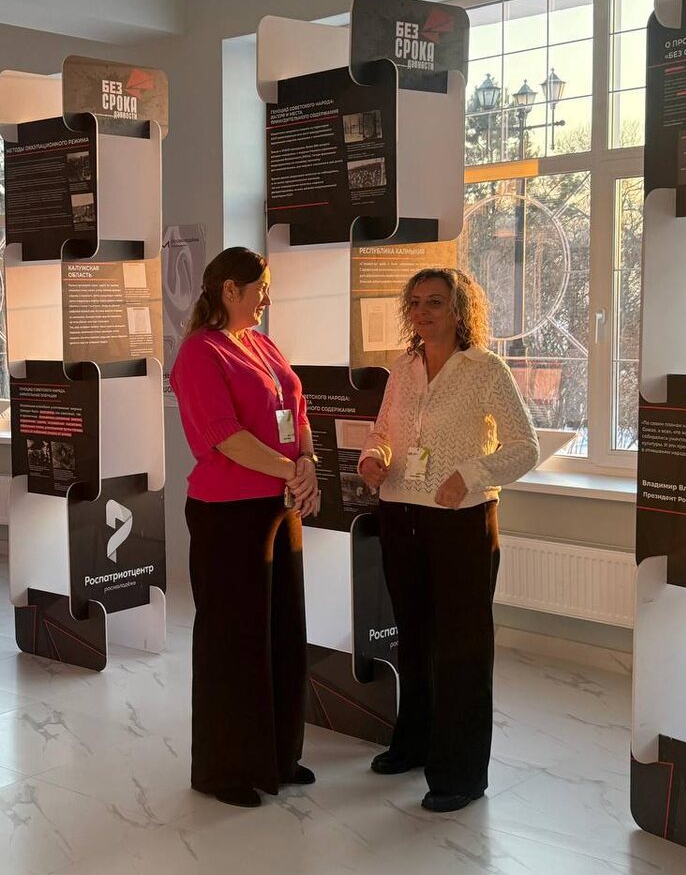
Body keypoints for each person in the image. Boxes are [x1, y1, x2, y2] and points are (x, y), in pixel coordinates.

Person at [358, 267, 539, 813]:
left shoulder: (485, 369)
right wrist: (373, 457)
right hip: (400, 516)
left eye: (435, 302)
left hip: (461, 521)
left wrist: (470, 474)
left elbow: (524, 447)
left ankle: (460, 773)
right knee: (414, 639)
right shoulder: (403, 367)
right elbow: (383, 432)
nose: (422, 312)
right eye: (415, 302)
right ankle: (415, 744)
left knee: (462, 648)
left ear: (459, 309)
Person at [170, 247, 320, 809]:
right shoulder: (199, 353)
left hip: (278, 508)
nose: (267, 298)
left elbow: (297, 411)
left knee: (281, 633)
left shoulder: (261, 343)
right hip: (228, 514)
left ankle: (276, 756)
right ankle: (224, 768)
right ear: (230, 290)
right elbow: (224, 436)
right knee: (232, 642)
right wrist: (292, 471)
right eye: (261, 288)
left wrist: (307, 464)